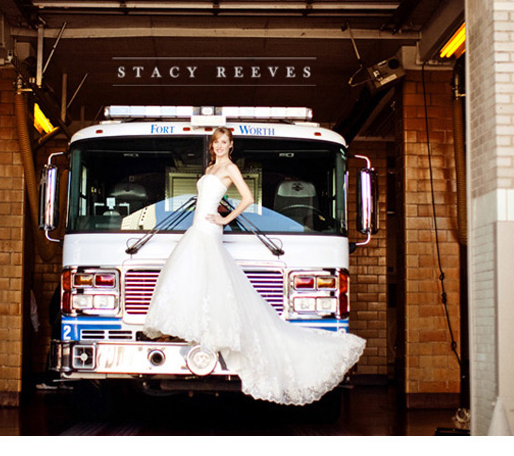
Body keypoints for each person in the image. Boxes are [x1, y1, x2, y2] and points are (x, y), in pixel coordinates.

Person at [143, 127, 365, 405]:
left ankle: (217, 333)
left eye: (224, 142)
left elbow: (248, 198)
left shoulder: (230, 168)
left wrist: (225, 219)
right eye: (216, 142)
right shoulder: (211, 167)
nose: (219, 146)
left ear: (230, 145)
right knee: (198, 278)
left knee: (211, 276)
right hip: (196, 228)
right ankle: (205, 333)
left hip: (209, 229)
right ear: (212, 146)